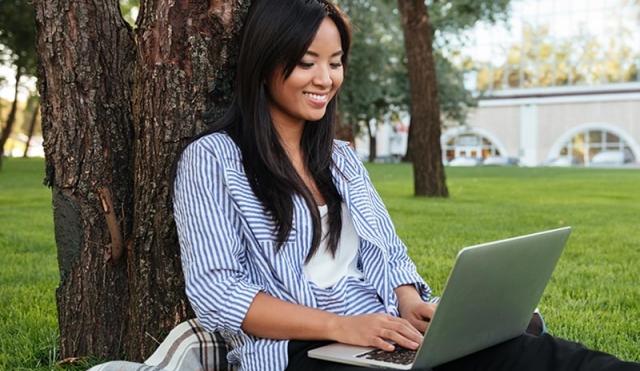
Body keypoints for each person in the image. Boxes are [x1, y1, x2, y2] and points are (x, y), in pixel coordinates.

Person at [172, 1, 640, 370]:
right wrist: (344, 327)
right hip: (300, 353)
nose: (325, 78)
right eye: (305, 62)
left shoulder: (340, 159)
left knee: (537, 355)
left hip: (382, 335)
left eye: (335, 62)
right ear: (264, 62)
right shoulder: (213, 160)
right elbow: (218, 293)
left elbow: (388, 252)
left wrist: (409, 301)